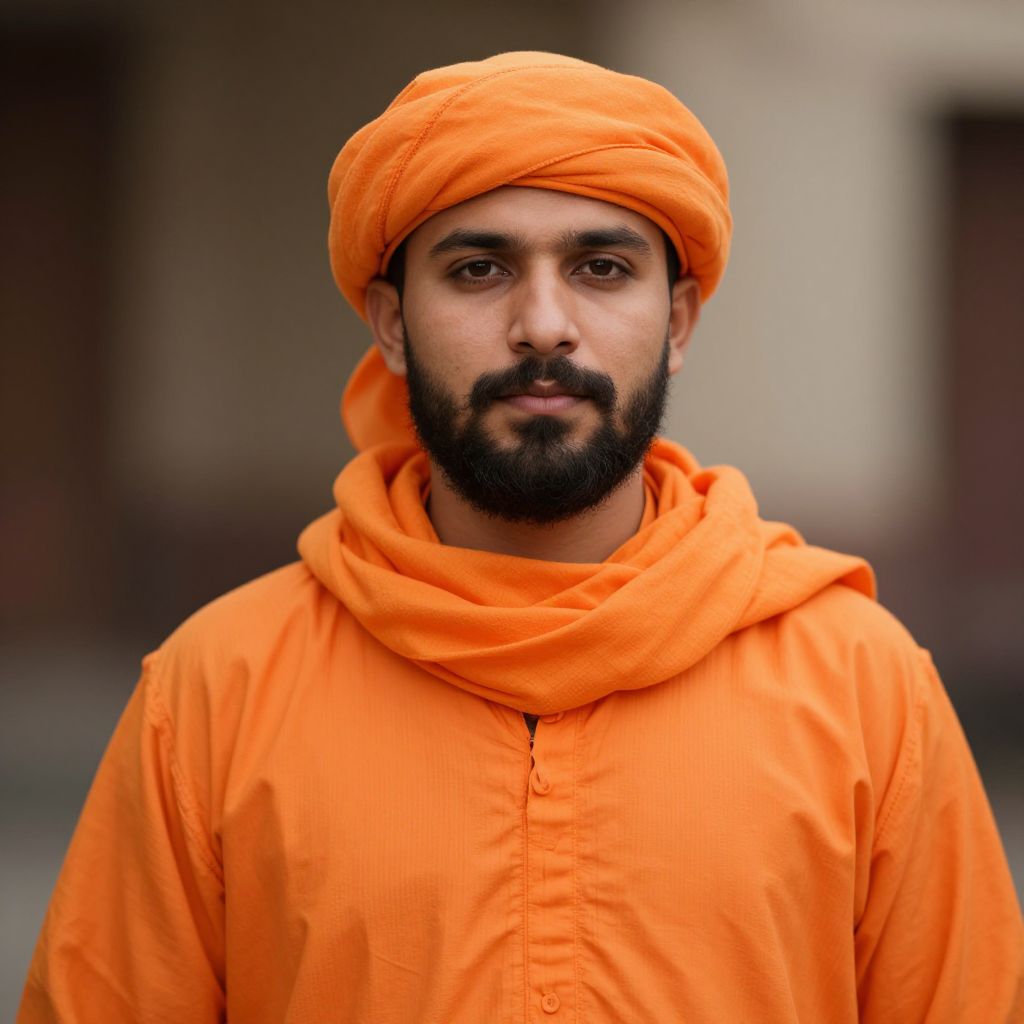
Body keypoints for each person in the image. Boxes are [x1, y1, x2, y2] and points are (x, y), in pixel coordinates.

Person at [19, 51, 1023, 1023]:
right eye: (477, 269)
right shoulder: (214, 693)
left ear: (675, 320)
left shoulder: (861, 688)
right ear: (391, 323)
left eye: (600, 266)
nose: (543, 323)